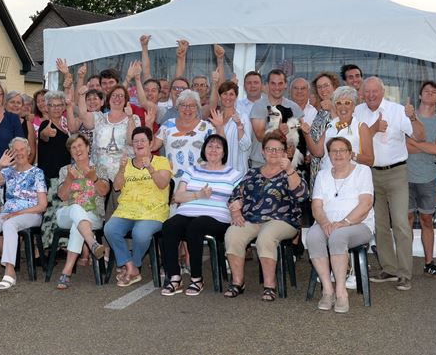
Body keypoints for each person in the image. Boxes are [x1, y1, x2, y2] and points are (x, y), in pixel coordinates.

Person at [355, 76, 425, 291]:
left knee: (401, 224)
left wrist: (413, 117)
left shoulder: (397, 110)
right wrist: (374, 129)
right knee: (380, 225)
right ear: (362, 93)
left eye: (375, 91)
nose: (371, 95)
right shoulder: (358, 112)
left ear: (382, 92)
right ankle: (389, 268)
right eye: (367, 92)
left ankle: (405, 274)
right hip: (369, 174)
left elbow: (420, 136)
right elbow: (353, 139)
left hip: (396, 173)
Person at [223, 131, 307, 300]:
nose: (273, 153)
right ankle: (238, 282)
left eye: (278, 149)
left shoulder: (290, 173)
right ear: (262, 152)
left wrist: (290, 169)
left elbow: (301, 195)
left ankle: (270, 285)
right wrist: (236, 210)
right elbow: (235, 195)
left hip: (282, 220)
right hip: (252, 218)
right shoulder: (252, 173)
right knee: (233, 234)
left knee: (266, 237)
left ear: (285, 152)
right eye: (269, 149)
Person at [160, 134, 243, 296]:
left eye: (218, 147)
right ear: (204, 150)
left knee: (196, 226)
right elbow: (178, 197)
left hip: (217, 218)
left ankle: (197, 278)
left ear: (224, 152)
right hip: (188, 212)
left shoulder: (233, 175)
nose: (213, 150)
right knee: (169, 226)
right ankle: (175, 277)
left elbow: (239, 199)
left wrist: (237, 206)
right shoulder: (192, 170)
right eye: (210, 146)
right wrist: (198, 195)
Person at [306, 137, 375, 313]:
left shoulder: (363, 171)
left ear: (350, 153)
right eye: (333, 151)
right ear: (328, 155)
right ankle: (328, 290)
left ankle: (341, 292)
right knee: (313, 236)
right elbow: (316, 205)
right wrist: (325, 222)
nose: (338, 154)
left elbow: (366, 204)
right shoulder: (322, 175)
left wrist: (344, 222)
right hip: (327, 223)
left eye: (342, 150)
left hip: (358, 224)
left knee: (338, 236)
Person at [104, 127, 172, 287]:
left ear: (151, 143)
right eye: (136, 141)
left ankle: (132, 266)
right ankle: (131, 267)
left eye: (143, 141)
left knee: (140, 234)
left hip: (153, 212)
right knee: (110, 229)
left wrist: (150, 168)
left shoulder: (162, 161)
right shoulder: (126, 164)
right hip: (127, 210)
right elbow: (117, 187)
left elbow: (163, 184)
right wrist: (121, 170)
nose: (139, 144)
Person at [0, 138, 47, 289]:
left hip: (31, 213)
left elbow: (42, 205)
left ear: (28, 151)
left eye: (22, 149)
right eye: (15, 150)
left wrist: (18, 213)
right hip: (9, 213)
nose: (19, 153)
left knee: (9, 224)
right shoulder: (8, 172)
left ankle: (10, 271)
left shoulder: (37, 173)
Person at [53, 134, 110, 289]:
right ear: (70, 152)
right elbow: (62, 196)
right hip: (66, 213)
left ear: (87, 147)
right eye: (73, 147)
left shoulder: (100, 169)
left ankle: (66, 272)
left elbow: (104, 192)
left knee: (79, 224)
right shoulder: (65, 171)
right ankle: (92, 243)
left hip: (93, 216)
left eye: (80, 145)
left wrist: (94, 178)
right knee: (77, 209)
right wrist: (70, 180)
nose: (77, 150)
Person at [406, 81, 436, 277]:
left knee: (426, 220)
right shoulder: (408, 118)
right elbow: (403, 147)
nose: (430, 94)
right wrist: (427, 145)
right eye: (426, 91)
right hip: (404, 176)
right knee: (405, 221)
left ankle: (429, 262)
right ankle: (404, 263)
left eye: (434, 92)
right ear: (420, 96)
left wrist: (415, 143)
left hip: (428, 178)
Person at [76, 84, 140, 181]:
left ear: (126, 100)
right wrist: (81, 96)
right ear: (108, 99)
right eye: (114, 95)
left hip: (124, 173)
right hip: (99, 174)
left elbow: (132, 141)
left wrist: (130, 117)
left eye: (121, 96)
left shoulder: (134, 118)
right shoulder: (99, 117)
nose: (117, 98)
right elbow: (83, 115)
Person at [302, 86, 374, 172]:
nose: (343, 107)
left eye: (347, 103)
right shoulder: (330, 126)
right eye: (339, 103)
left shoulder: (361, 127)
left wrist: (350, 154)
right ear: (335, 106)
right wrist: (307, 134)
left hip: (351, 179)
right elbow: (318, 152)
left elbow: (370, 160)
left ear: (354, 106)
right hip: (328, 178)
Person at [152, 89, 214, 184]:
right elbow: (152, 146)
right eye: (183, 105)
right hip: (172, 180)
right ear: (178, 107)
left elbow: (221, 150)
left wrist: (220, 127)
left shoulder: (207, 127)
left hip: (199, 181)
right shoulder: (167, 125)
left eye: (192, 106)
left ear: (197, 107)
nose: (187, 109)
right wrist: (149, 124)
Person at [249, 69, 304, 169]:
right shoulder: (259, 106)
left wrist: (291, 128)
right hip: (261, 164)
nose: (277, 87)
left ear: (286, 85)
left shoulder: (293, 107)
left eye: (280, 83)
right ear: (268, 85)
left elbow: (301, 127)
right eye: (273, 83)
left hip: (286, 164)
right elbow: (260, 136)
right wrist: (278, 131)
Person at [302, 72, 341, 186]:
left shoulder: (343, 108)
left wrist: (333, 108)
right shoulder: (321, 112)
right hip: (317, 168)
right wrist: (306, 134)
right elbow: (317, 149)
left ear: (334, 86)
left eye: (326, 85)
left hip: (335, 168)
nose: (323, 89)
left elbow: (343, 132)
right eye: (319, 87)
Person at [208, 80, 252, 174]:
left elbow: (246, 146)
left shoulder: (243, 117)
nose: (228, 97)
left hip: (237, 173)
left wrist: (239, 125)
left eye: (231, 94)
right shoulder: (215, 118)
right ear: (220, 97)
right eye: (224, 94)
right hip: (217, 173)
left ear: (236, 97)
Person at [37, 90, 72, 186]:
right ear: (47, 108)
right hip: (50, 178)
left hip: (65, 176)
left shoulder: (68, 124)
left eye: (59, 105)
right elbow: (43, 136)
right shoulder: (45, 124)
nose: (56, 108)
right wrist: (45, 134)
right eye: (52, 105)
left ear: (64, 107)